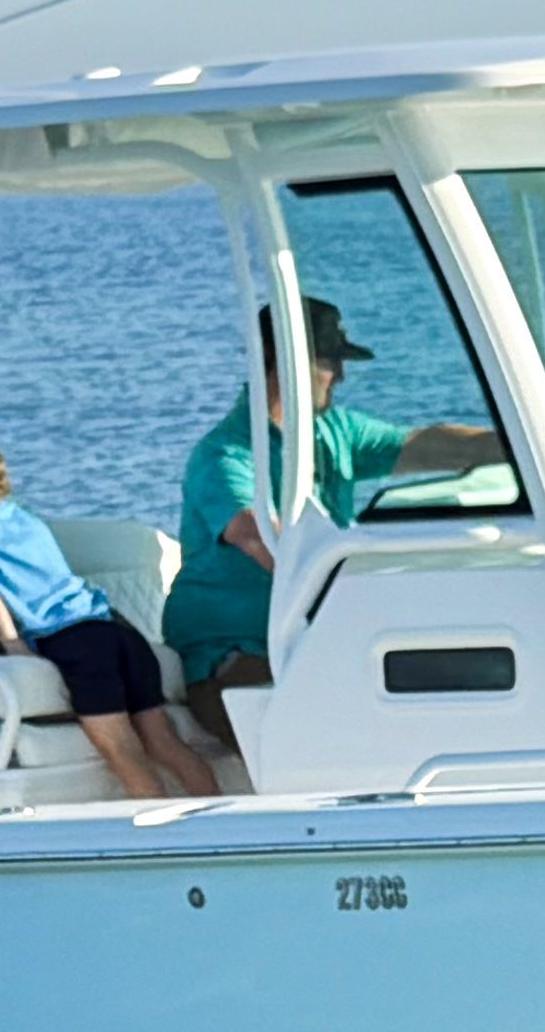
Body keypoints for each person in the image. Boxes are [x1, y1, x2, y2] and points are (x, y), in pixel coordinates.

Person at [159, 298, 503, 732]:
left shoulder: (334, 430)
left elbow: (427, 445)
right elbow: (260, 538)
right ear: (288, 365)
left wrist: (519, 442)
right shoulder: (225, 455)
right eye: (330, 362)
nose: (340, 375)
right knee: (343, 712)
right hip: (230, 654)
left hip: (317, 638)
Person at [0, 432, 206, 802]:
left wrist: (15, 649)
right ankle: (220, 815)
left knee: (122, 751)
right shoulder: (26, 519)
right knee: (165, 742)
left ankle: (163, 838)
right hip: (117, 631)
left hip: (76, 646)